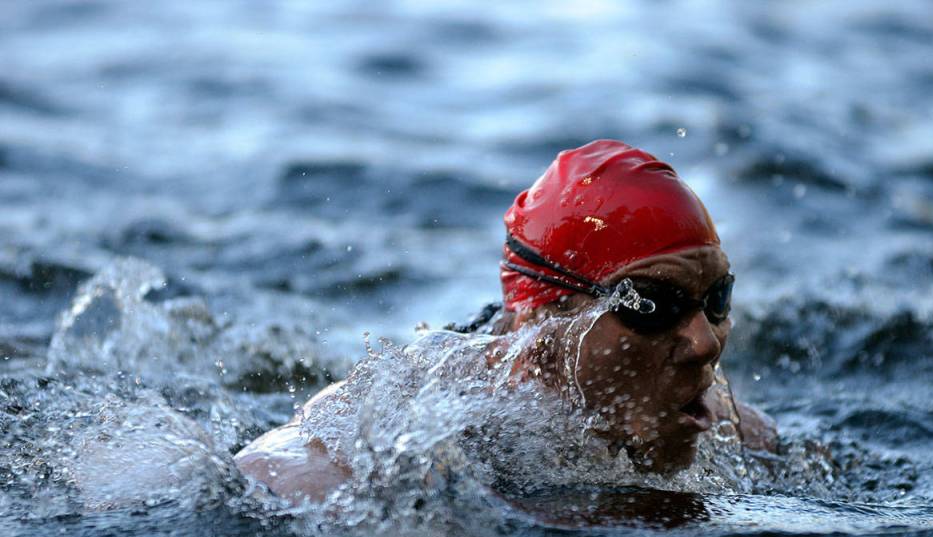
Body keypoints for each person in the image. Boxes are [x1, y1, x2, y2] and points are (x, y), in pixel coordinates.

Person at [235, 140, 777, 505]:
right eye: (651, 305)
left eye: (716, 299)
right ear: (542, 320)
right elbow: (267, 475)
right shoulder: (420, 427)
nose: (704, 342)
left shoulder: (737, 432)